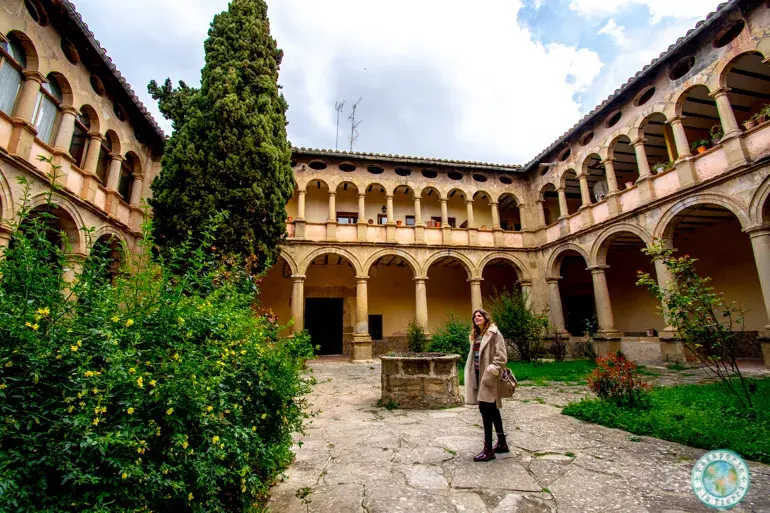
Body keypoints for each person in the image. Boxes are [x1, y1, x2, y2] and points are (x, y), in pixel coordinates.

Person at [464, 308, 509, 462]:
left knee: (486, 410)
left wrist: (491, 372)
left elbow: (501, 356)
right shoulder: (476, 335)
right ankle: (502, 443)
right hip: (478, 375)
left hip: (489, 377)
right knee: (493, 408)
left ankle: (488, 450)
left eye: (479, 315)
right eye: (474, 316)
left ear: (485, 317)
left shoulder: (494, 333)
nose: (477, 318)